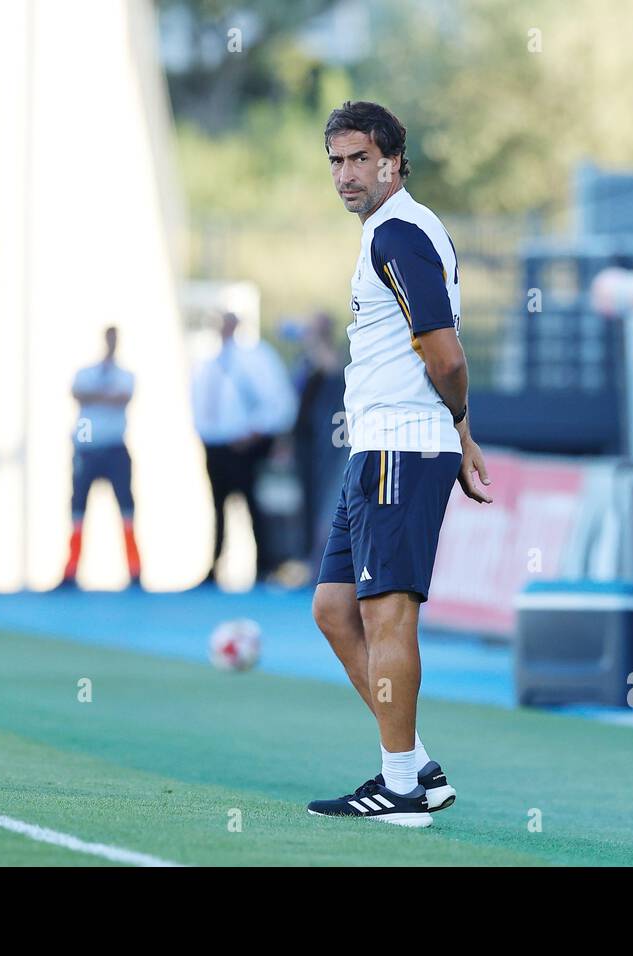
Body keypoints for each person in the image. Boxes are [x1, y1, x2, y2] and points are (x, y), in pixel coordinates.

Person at [305, 101, 492, 827]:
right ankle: (416, 768)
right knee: (332, 609)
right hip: (383, 445)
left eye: (359, 159)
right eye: (336, 161)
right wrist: (464, 434)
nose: (346, 174)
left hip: (400, 449)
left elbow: (443, 353)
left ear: (392, 161)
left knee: (387, 617)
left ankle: (400, 789)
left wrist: (453, 427)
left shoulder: (400, 233)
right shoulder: (393, 231)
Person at [190, 312, 297, 585]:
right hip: (215, 445)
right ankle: (215, 567)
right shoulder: (208, 361)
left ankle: (263, 566)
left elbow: (277, 401)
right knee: (218, 507)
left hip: (245, 446)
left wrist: (254, 432)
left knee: (253, 506)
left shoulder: (256, 357)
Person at [56, 326, 142, 590]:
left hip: (115, 448)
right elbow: (79, 394)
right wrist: (103, 396)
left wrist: (97, 397)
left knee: (126, 508)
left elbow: (121, 398)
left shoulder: (125, 375)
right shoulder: (87, 372)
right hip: (87, 449)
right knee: (78, 508)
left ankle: (135, 570)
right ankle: (71, 570)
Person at [292, 312, 348, 565]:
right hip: (307, 440)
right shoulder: (305, 360)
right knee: (309, 498)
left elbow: (331, 371)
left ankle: (320, 557)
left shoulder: (328, 358)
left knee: (326, 499)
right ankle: (311, 555)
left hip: (327, 443)